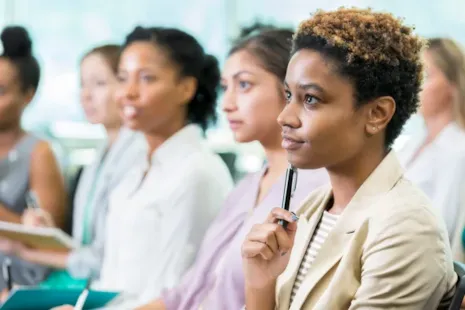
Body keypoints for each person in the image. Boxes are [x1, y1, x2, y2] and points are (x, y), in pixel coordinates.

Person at [241, 8, 457, 310]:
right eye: (289, 95)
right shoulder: (313, 208)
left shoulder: (407, 229)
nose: (284, 116)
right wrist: (259, 284)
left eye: (311, 99)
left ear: (377, 114)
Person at [135, 27, 329, 310]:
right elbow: (184, 295)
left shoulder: (317, 192)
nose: (226, 104)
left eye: (245, 85)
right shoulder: (246, 187)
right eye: (226, 87)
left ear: (292, 89)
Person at [81, 26, 233, 308]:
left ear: (186, 88)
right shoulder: (137, 167)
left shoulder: (196, 173)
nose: (127, 92)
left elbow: (175, 295)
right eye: (123, 78)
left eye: (147, 79)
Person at [0, 45, 145, 288]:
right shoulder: (99, 158)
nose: (86, 95)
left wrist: (31, 251)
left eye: (99, 83)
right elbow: (83, 245)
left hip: (100, 286)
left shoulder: (139, 158)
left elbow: (105, 257)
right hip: (82, 278)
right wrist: (44, 232)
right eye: (82, 85)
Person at [0, 26, 67, 289]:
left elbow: (48, 242)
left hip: (15, 281)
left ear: (27, 95)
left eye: (1, 90)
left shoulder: (39, 153)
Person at [396, 38, 465, 258]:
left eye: (426, 76)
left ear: (452, 85)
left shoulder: (458, 151)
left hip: (419, 264)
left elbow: (443, 228)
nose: (416, 85)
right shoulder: (410, 144)